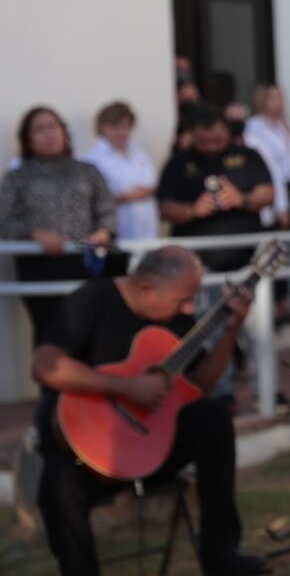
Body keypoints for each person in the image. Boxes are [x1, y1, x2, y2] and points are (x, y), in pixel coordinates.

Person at [31, 246, 267, 576]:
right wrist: (126, 388)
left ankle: (221, 554)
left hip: (151, 444)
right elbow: (45, 367)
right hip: (87, 453)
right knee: (57, 486)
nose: (188, 308)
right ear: (146, 287)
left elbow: (198, 387)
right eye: (181, 299)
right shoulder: (90, 300)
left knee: (212, 417)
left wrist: (231, 329)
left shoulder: (176, 320)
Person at [0, 107, 121, 343]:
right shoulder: (17, 176)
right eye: (40, 129)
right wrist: (33, 234)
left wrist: (103, 232)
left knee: (89, 335)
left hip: (85, 263)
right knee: (50, 337)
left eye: (53, 126)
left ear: (64, 131)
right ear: (28, 138)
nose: (48, 134)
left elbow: (107, 209)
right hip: (39, 267)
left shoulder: (87, 171)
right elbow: (4, 221)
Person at [157, 104, 274, 274]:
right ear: (192, 135)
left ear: (227, 132)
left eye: (217, 140)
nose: (211, 147)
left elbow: (268, 194)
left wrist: (243, 199)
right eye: (204, 142)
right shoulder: (178, 163)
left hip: (245, 258)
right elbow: (164, 207)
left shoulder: (248, 156)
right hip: (194, 262)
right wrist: (192, 210)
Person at [245, 84, 290, 318]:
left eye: (280, 98)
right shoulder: (255, 128)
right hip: (272, 190)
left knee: (286, 247)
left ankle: (283, 299)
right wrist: (281, 204)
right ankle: (271, 301)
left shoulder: (286, 126)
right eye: (272, 99)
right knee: (272, 247)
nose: (278, 103)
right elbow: (270, 167)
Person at [82, 101, 160, 241]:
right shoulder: (92, 159)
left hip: (147, 229)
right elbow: (90, 201)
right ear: (102, 126)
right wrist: (125, 197)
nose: (121, 132)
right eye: (115, 126)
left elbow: (152, 185)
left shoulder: (140, 155)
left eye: (126, 126)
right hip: (118, 230)